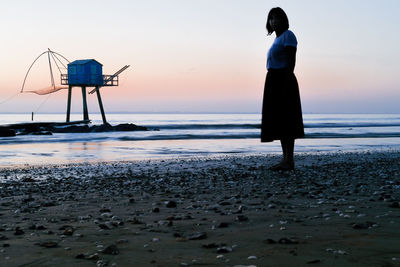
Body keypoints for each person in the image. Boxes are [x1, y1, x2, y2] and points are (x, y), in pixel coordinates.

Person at [261, 7, 304, 171]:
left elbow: (291, 61)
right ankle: (285, 159)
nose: (273, 21)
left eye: (276, 18)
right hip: (273, 79)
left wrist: (285, 81)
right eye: (271, 18)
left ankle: (289, 160)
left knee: (287, 120)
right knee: (279, 120)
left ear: (283, 19)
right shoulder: (276, 39)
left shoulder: (288, 35)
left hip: (283, 79)